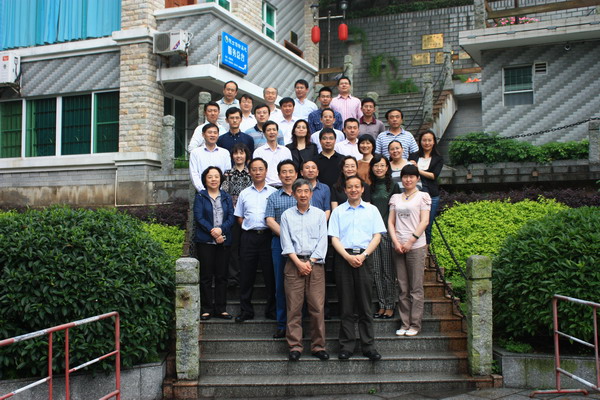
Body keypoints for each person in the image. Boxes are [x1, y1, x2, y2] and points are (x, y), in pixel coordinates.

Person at [328, 175, 385, 361]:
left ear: (362, 189)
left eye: (356, 187)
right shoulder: (338, 212)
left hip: (364, 258)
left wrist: (363, 255)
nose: (353, 190)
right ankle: (347, 345)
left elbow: (377, 236)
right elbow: (334, 238)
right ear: (345, 190)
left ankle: (369, 346)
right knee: (346, 305)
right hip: (343, 258)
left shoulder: (372, 210)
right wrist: (347, 257)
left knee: (365, 305)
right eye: (349, 187)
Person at [280, 178, 329, 361]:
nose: (303, 195)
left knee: (317, 307)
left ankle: (318, 346)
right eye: (299, 191)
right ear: (293, 194)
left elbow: (323, 241)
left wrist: (311, 261)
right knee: (293, 308)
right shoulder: (286, 215)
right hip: (293, 264)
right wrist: (299, 263)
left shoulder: (319, 215)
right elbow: (286, 242)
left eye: (306, 191)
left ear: (311, 194)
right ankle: (295, 346)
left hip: (315, 265)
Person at [388, 164, 431, 337]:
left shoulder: (423, 197)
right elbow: (391, 222)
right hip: (398, 245)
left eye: (411, 176)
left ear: (417, 178)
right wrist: (396, 241)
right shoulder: (396, 198)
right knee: (402, 287)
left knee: (416, 288)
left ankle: (415, 324)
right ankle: (404, 323)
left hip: (416, 246)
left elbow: (424, 221)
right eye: (405, 176)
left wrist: (410, 241)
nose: (408, 180)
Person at [234, 158, 277, 322]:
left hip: (268, 236)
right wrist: (249, 227)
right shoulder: (244, 193)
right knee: (246, 275)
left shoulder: (273, 192)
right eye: (254, 169)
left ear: (266, 171)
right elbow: (239, 217)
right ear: (249, 172)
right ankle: (246, 310)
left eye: (261, 169)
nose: (257, 172)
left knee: (270, 275)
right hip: (249, 237)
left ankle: (271, 310)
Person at [194, 166, 235, 321]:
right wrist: (213, 231)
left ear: (220, 179)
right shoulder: (200, 196)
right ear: (205, 179)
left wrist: (221, 230)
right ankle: (206, 309)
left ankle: (221, 308)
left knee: (222, 276)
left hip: (223, 241)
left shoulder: (226, 197)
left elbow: (231, 217)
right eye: (210, 177)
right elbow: (199, 217)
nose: (213, 179)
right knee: (206, 276)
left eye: (216, 176)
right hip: (205, 241)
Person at [265, 160, 298, 339]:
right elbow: (270, 220)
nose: (287, 175)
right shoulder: (273, 197)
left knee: (300, 285)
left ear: (296, 174)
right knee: (280, 284)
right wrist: (286, 237)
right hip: (279, 244)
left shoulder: (303, 193)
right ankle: (282, 324)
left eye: (290, 171)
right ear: (279, 175)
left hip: (302, 245)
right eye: (283, 172)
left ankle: (299, 323)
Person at [369, 155, 401, 319]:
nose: (379, 168)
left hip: (388, 232)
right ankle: (381, 305)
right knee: (376, 271)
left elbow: (397, 210)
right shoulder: (369, 187)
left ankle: (390, 305)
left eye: (382, 165)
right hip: (373, 234)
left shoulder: (394, 186)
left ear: (387, 167)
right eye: (376, 165)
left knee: (388, 271)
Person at [221, 143, 253, 287]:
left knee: (246, 247)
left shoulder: (251, 173)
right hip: (233, 215)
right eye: (236, 153)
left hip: (248, 216)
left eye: (241, 153)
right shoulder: (227, 174)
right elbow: (225, 194)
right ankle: (233, 277)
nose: (239, 156)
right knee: (233, 247)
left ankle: (246, 276)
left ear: (246, 155)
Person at [408, 130, 444, 245]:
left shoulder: (438, 158)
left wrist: (417, 170)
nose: (427, 143)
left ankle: (426, 252)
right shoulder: (413, 156)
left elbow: (434, 175)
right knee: (413, 224)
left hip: (432, 195)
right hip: (414, 194)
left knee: (427, 225)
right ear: (420, 142)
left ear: (434, 142)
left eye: (429, 140)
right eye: (424, 140)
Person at [189, 123, 231, 192]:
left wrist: (221, 190)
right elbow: (194, 174)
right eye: (209, 132)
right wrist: (202, 190)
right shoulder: (195, 153)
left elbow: (227, 173)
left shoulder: (225, 153)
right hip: (202, 192)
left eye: (215, 133)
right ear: (203, 135)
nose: (212, 135)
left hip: (221, 192)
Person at [253, 121, 293, 187]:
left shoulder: (286, 151)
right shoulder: (258, 152)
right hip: (266, 187)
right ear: (264, 133)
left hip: (283, 186)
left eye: (274, 130)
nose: (272, 132)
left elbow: (290, 169)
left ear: (277, 132)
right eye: (268, 130)